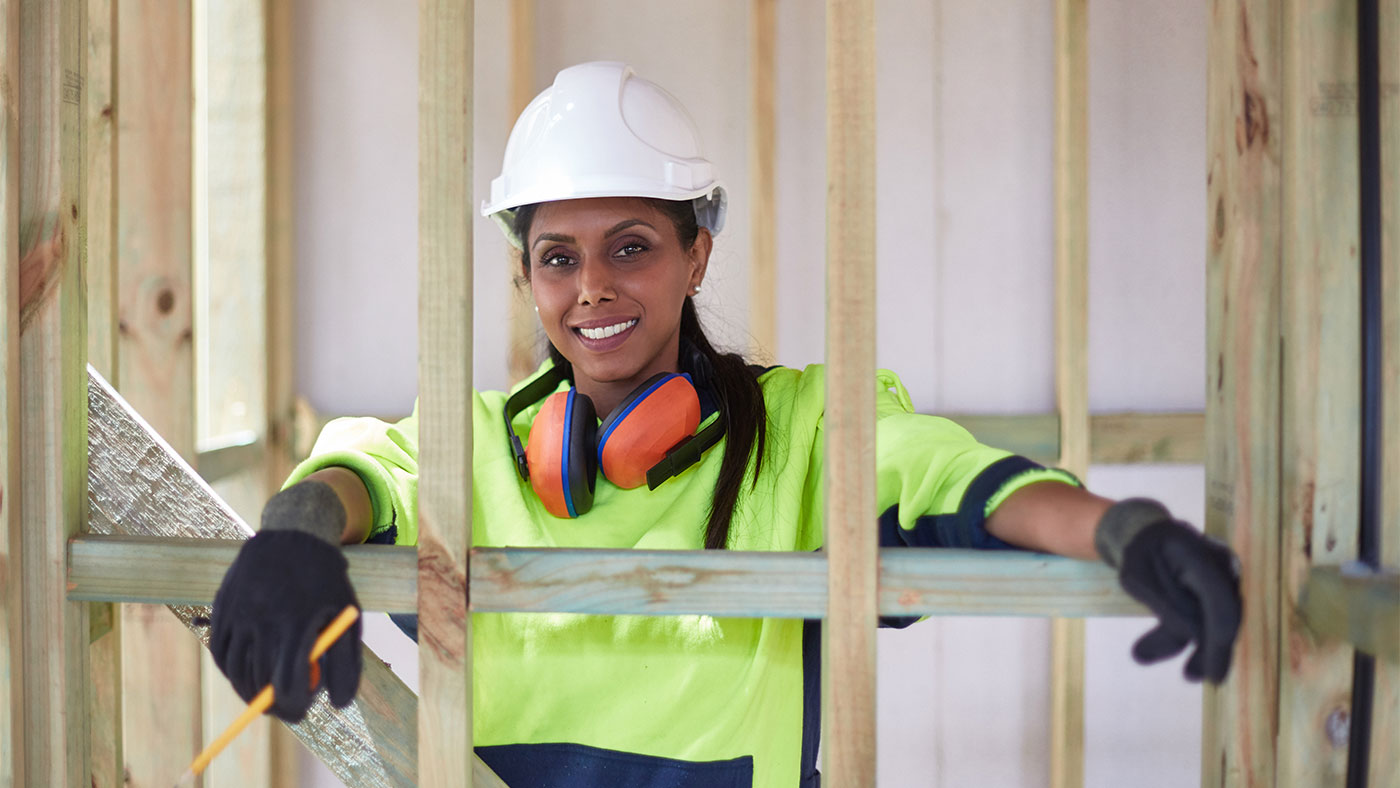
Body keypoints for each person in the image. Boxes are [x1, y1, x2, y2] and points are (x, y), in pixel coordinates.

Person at [211, 61, 1242, 787]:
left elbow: (953, 479)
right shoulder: (472, 441)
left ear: (695, 254)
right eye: (558, 256)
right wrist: (296, 533)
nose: (592, 288)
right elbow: (359, 467)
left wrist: (1121, 529)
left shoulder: (798, 433)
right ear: (524, 275)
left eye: (631, 246)